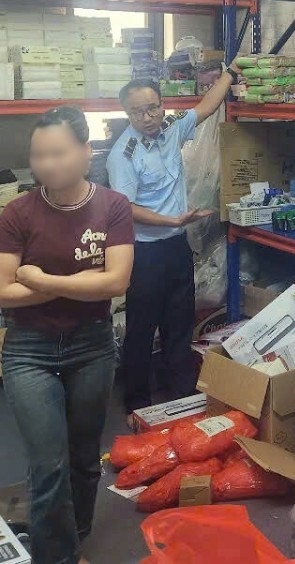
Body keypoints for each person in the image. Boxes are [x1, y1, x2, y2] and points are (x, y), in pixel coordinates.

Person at [0, 106, 134, 564]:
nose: (46, 164)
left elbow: (115, 283)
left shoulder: (113, 206)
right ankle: (59, 557)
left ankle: (74, 536)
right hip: (28, 350)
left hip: (92, 345)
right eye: (38, 155)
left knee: (85, 458)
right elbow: (0, 293)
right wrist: (77, 283)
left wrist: (43, 281)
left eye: (57, 153)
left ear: (86, 151)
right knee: (48, 463)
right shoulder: (19, 212)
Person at [108, 65, 238, 413]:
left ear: (162, 105)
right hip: (145, 253)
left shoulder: (170, 128)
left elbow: (206, 106)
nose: (148, 117)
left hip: (177, 246)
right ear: (127, 113)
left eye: (153, 108)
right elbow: (126, 207)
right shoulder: (123, 154)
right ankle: (137, 403)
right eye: (138, 112)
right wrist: (171, 220)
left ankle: (182, 395)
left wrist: (229, 74)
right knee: (142, 327)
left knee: (179, 323)